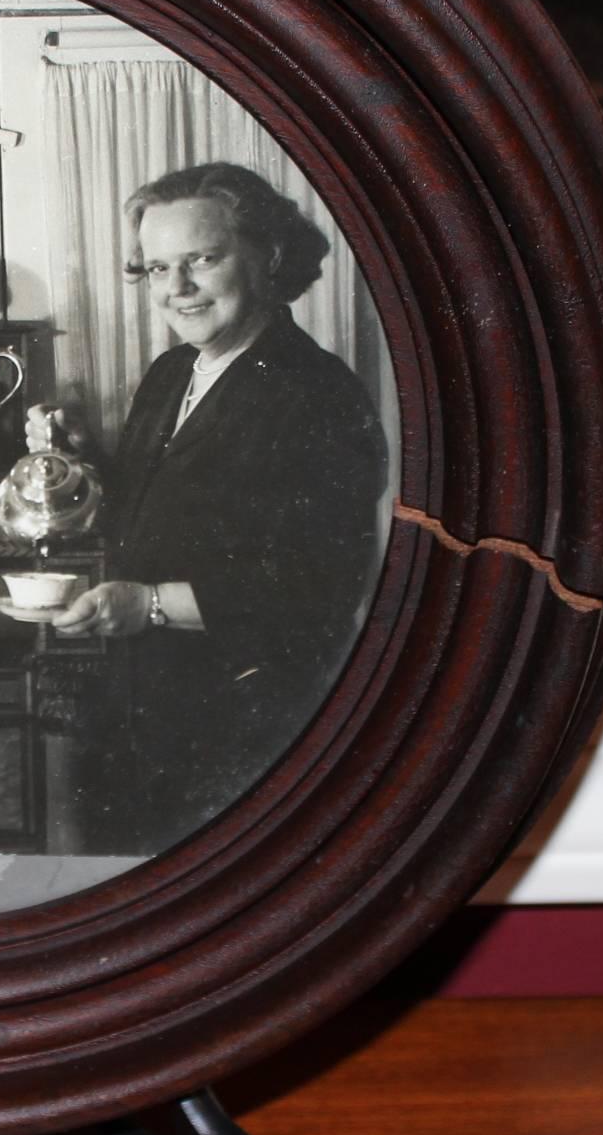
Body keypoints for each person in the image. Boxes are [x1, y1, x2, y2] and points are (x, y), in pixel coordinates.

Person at [38, 162, 389, 854]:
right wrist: (81, 456)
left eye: (201, 260)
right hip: (145, 710)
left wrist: (152, 605)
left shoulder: (315, 393)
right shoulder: (173, 373)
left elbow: (318, 587)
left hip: (248, 723)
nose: (177, 289)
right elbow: (162, 515)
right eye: (157, 267)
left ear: (267, 256)